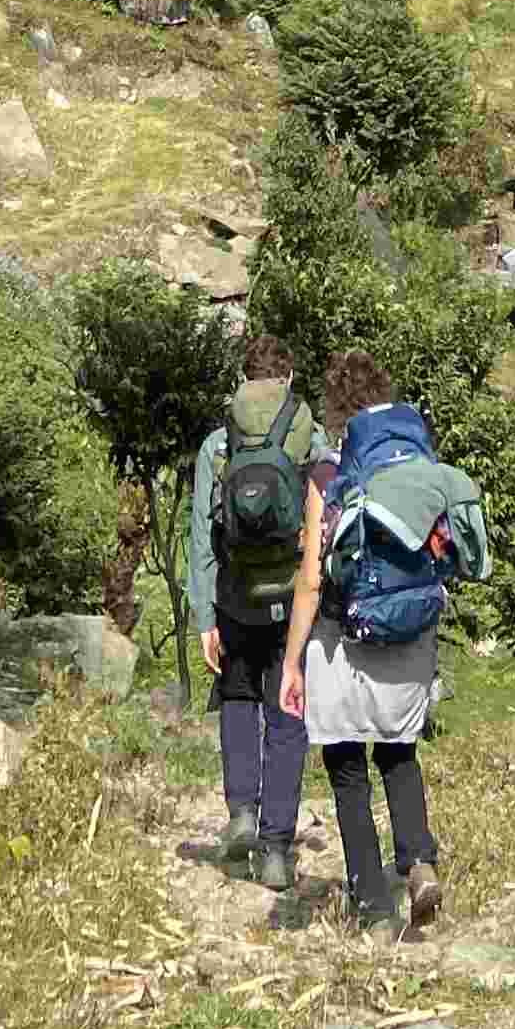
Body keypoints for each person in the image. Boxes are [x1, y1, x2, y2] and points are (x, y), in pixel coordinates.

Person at [280, 346, 444, 939]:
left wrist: (292, 662)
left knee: (346, 766)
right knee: (399, 752)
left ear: (335, 409)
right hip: (410, 631)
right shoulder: (416, 464)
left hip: (341, 637)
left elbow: (310, 579)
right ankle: (418, 862)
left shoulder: (328, 475)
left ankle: (374, 908)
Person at [188, 331, 318, 893]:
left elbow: (202, 536)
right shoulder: (310, 439)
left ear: (244, 381)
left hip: (236, 597)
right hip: (292, 602)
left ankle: (242, 813)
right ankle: (277, 851)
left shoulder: (217, 445)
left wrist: (204, 616)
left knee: (238, 698)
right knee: (286, 715)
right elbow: (322, 530)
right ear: (287, 379)